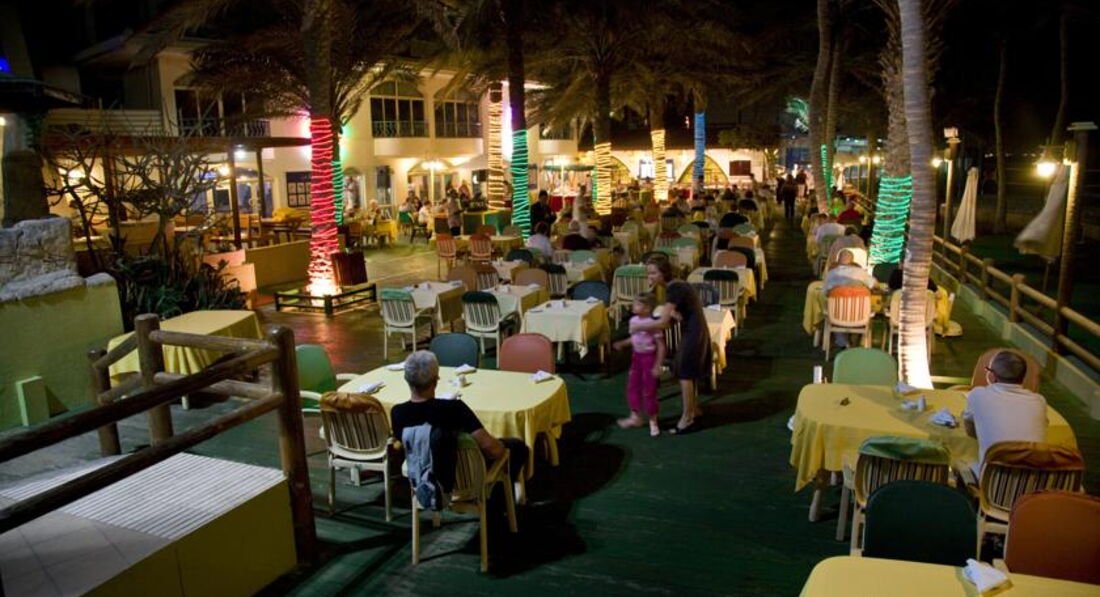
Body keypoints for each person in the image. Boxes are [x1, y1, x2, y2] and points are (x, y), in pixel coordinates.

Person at [391, 351, 528, 505]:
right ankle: (497, 500)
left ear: (407, 380)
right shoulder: (455, 409)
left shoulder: (397, 413)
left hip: (423, 476)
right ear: (435, 380)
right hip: (467, 475)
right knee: (518, 447)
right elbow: (491, 449)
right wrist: (503, 448)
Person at [631, 259, 712, 434]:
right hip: (694, 329)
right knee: (688, 371)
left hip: (693, 332)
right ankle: (694, 410)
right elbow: (679, 313)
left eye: (653, 273)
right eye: (648, 273)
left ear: (664, 273)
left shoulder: (674, 288)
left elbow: (663, 321)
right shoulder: (677, 285)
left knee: (685, 372)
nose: (649, 276)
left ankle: (687, 418)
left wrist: (638, 326)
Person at [962, 351, 1048, 478]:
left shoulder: (978, 395)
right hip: (1033, 481)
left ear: (992, 376)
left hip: (990, 482)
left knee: (962, 461)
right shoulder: (1039, 401)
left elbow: (969, 431)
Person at [613, 292, 666, 437]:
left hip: (649, 358)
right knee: (633, 387)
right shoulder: (633, 321)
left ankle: (653, 421)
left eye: (637, 304)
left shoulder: (653, 324)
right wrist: (622, 343)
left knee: (650, 390)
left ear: (647, 308)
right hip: (636, 357)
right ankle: (635, 416)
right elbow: (634, 338)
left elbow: (661, 345)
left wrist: (658, 364)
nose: (633, 306)